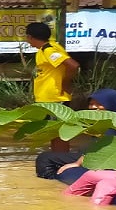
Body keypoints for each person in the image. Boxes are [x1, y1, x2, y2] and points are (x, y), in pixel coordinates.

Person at [34, 88, 116, 179]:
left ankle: (56, 179)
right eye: (91, 104)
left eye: (99, 104)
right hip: (113, 158)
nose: (93, 107)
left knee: (45, 158)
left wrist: (77, 164)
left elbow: (103, 148)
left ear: (112, 104)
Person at [24, 21, 80, 153]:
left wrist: (66, 83)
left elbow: (73, 65)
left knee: (59, 133)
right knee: (53, 132)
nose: (27, 41)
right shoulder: (48, 48)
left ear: (31, 37)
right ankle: (56, 159)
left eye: (27, 37)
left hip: (55, 98)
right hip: (49, 99)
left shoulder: (49, 49)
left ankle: (62, 160)